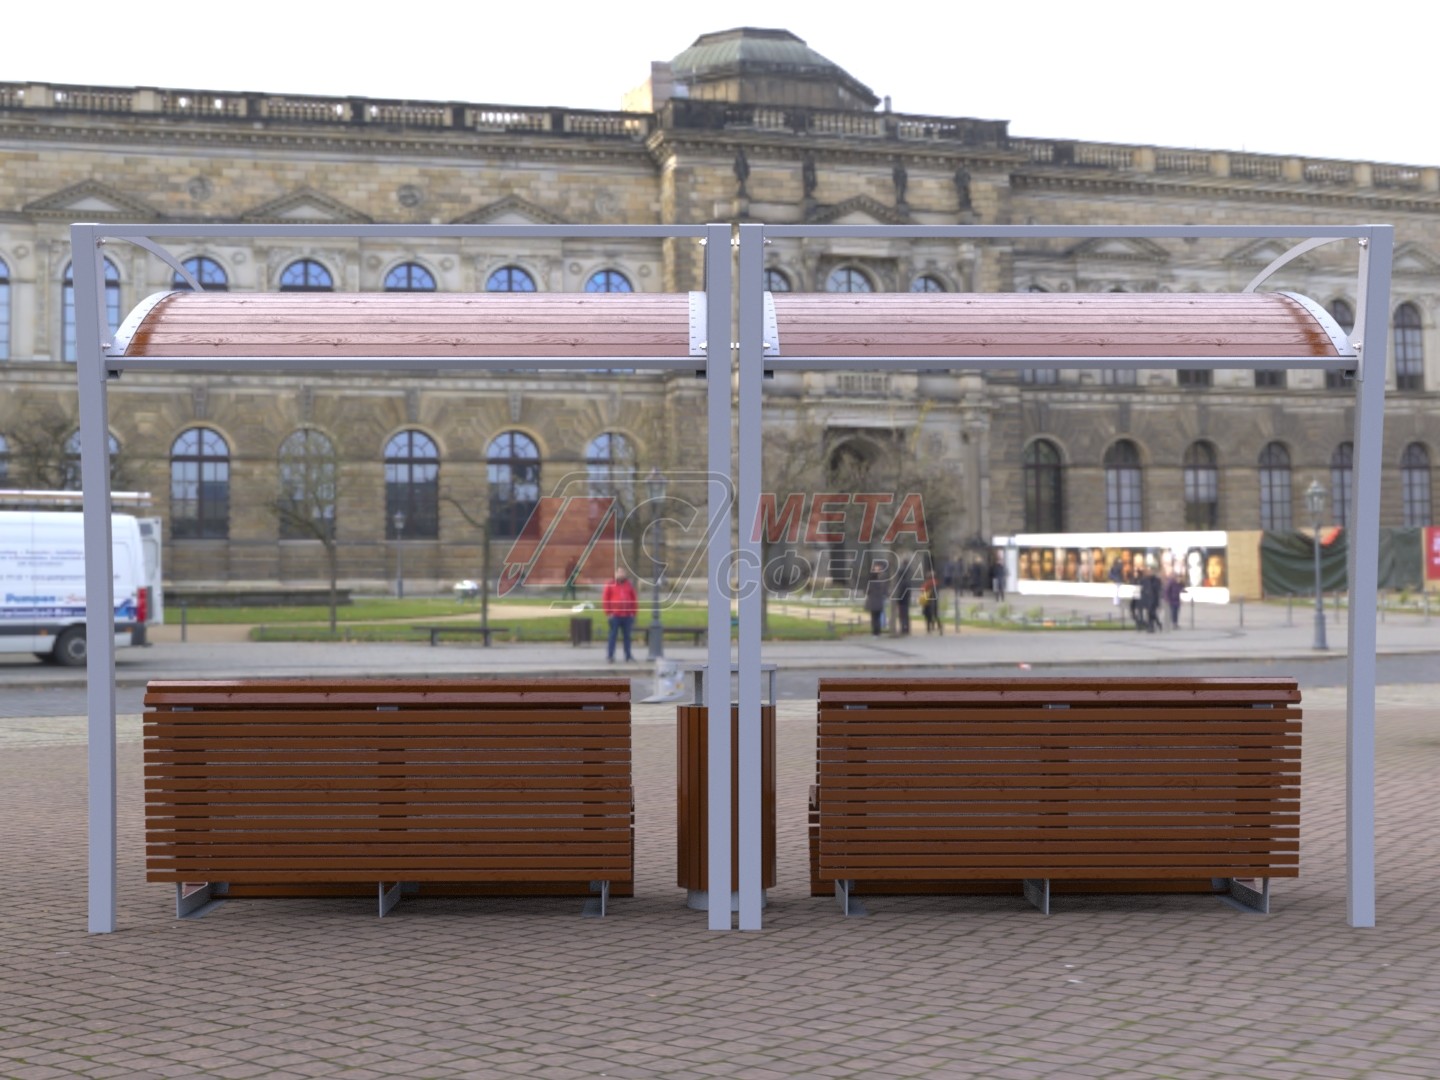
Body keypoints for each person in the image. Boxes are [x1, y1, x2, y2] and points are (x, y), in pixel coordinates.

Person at [601, 569, 638, 662]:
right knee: (613, 636)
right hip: (615, 615)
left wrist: (633, 613)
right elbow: (605, 599)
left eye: (623, 573)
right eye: (619, 573)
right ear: (616, 574)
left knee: (627, 636)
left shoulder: (629, 585)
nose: (621, 574)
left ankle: (628, 655)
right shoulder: (610, 585)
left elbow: (634, 599)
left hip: (627, 615)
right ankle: (610, 655)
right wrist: (608, 613)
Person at [864, 562, 889, 637]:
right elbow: (885, 591)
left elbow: (867, 591)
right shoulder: (881, 582)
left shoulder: (871, 583)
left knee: (874, 617)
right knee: (877, 617)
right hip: (879, 602)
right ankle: (878, 631)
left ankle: (875, 632)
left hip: (873, 602)